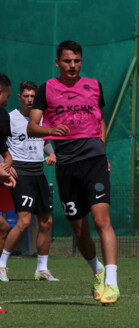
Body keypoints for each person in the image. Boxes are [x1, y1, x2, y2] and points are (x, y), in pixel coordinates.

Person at [27, 40, 119, 305]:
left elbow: (99, 118)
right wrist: (50, 131)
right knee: (80, 232)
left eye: (77, 61)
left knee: (103, 221)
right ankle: (98, 272)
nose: (72, 65)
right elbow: (33, 127)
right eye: (67, 61)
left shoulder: (94, 85)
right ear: (58, 62)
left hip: (94, 161)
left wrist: (103, 149)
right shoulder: (47, 88)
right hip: (67, 164)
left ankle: (112, 283)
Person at [0, 81, 59, 282]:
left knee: (46, 221)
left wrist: (51, 155)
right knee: (24, 221)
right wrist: (5, 167)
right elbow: (1, 143)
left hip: (38, 173)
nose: (30, 99)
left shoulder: (40, 117)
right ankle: (1, 265)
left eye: (33, 96)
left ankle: (42, 268)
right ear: (19, 97)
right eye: (26, 96)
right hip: (21, 173)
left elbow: (46, 142)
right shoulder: (9, 117)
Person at [0, 73, 18, 271]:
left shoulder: (3, 115)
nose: (7, 100)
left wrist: (7, 168)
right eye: (7, 95)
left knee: (3, 227)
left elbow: (6, 154)